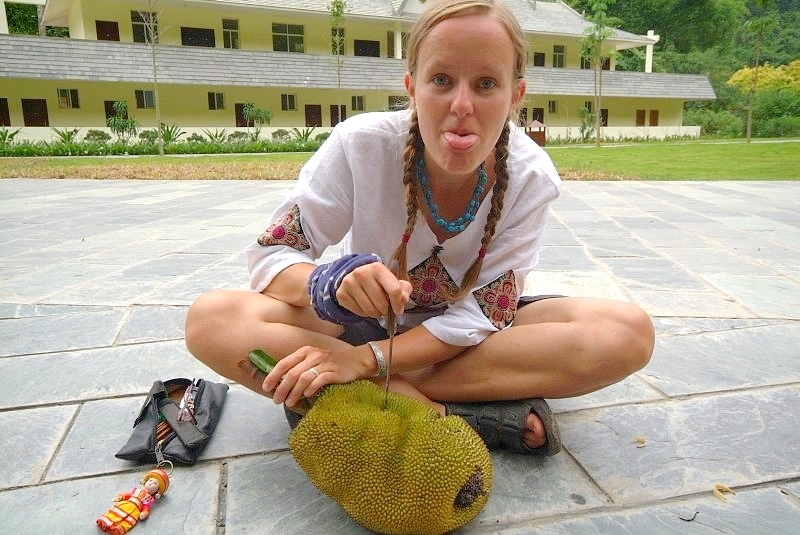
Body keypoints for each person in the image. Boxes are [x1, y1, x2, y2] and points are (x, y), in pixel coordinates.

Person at [185, 0, 654, 455]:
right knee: (213, 319)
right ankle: (454, 416)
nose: (462, 104)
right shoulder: (360, 146)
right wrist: (333, 282)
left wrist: (362, 362)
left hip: (461, 344)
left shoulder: (531, 177)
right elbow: (273, 255)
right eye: (442, 80)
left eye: (486, 83)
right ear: (412, 86)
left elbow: (485, 316)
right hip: (360, 327)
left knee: (625, 332)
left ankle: (348, 396)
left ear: (516, 94)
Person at [96, 468, 169, 534]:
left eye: (155, 483)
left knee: (128, 520)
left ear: (157, 490)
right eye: (150, 480)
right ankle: (106, 521)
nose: (151, 483)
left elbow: (146, 507)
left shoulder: (149, 499)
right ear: (145, 481)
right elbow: (129, 494)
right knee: (116, 512)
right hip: (126, 504)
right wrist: (120, 497)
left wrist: (144, 513)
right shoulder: (136, 490)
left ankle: (118, 529)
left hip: (135, 511)